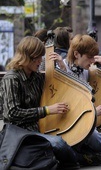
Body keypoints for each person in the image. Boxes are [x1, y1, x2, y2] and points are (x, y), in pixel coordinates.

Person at [0, 36, 79, 169]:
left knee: (74, 137)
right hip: (18, 133)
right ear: (28, 56)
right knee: (58, 143)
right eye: (38, 57)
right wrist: (47, 110)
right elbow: (12, 113)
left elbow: (61, 86)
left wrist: (61, 64)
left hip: (39, 128)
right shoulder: (11, 79)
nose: (40, 61)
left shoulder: (36, 76)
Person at [56, 34, 101, 165]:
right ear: (77, 54)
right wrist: (94, 111)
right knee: (92, 133)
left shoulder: (86, 70)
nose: (92, 61)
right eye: (89, 57)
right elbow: (69, 106)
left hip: (88, 118)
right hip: (69, 122)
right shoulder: (62, 70)